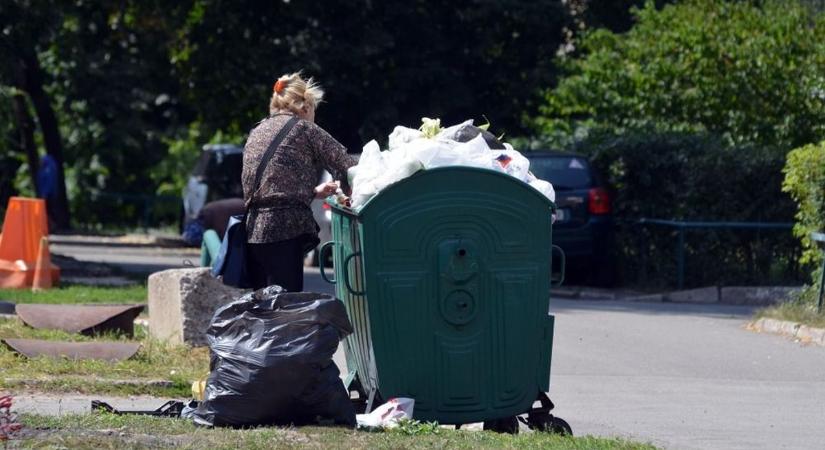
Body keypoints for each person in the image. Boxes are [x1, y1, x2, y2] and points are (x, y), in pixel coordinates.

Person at [242, 72, 356, 291]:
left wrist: (314, 192)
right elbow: (347, 165)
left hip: (253, 230)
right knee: (286, 306)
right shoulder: (304, 129)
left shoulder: (257, 130)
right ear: (305, 106)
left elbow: (272, 188)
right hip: (285, 231)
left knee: (263, 308)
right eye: (314, 109)